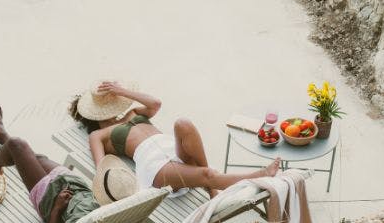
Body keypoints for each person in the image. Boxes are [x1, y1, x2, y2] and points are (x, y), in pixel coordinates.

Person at [69, 81, 280, 198]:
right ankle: (258, 176)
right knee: (207, 173)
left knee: (183, 123)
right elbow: (102, 169)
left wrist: (122, 91)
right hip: (155, 168)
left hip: (171, 148)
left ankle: (212, 188)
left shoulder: (131, 114)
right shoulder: (98, 135)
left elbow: (156, 103)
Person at [0, 107, 136, 223]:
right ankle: (2, 135)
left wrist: (56, 209)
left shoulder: (81, 220)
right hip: (74, 185)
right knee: (36, 158)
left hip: (52, 198)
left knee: (17, 144)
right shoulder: (120, 200)